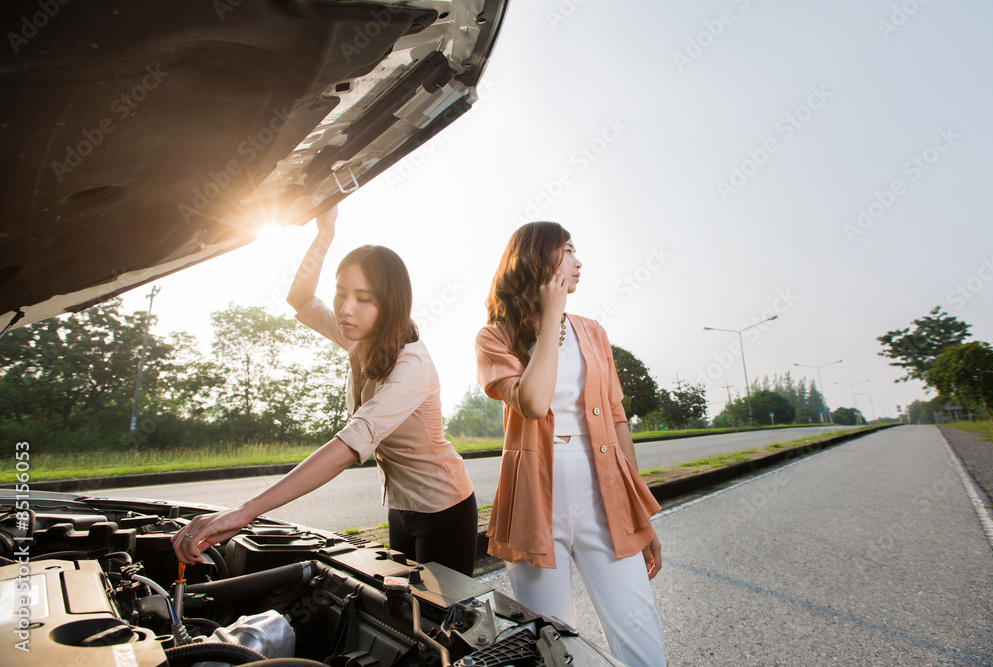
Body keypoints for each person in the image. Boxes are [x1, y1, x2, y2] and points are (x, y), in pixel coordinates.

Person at [172, 206, 478, 576]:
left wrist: (245, 511)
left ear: (391, 303)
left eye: (364, 298)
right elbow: (300, 298)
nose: (346, 309)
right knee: (406, 611)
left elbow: (351, 444)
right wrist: (325, 235)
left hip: (445, 509)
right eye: (341, 293)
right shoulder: (361, 335)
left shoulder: (412, 364)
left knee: (440, 625)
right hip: (401, 507)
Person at [474, 221, 666, 666]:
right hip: (534, 505)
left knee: (641, 635)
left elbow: (617, 419)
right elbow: (534, 402)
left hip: (607, 496)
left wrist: (641, 511)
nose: (579, 262)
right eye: (568, 251)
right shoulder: (494, 337)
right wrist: (550, 316)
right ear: (538, 261)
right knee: (553, 647)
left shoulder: (594, 332)